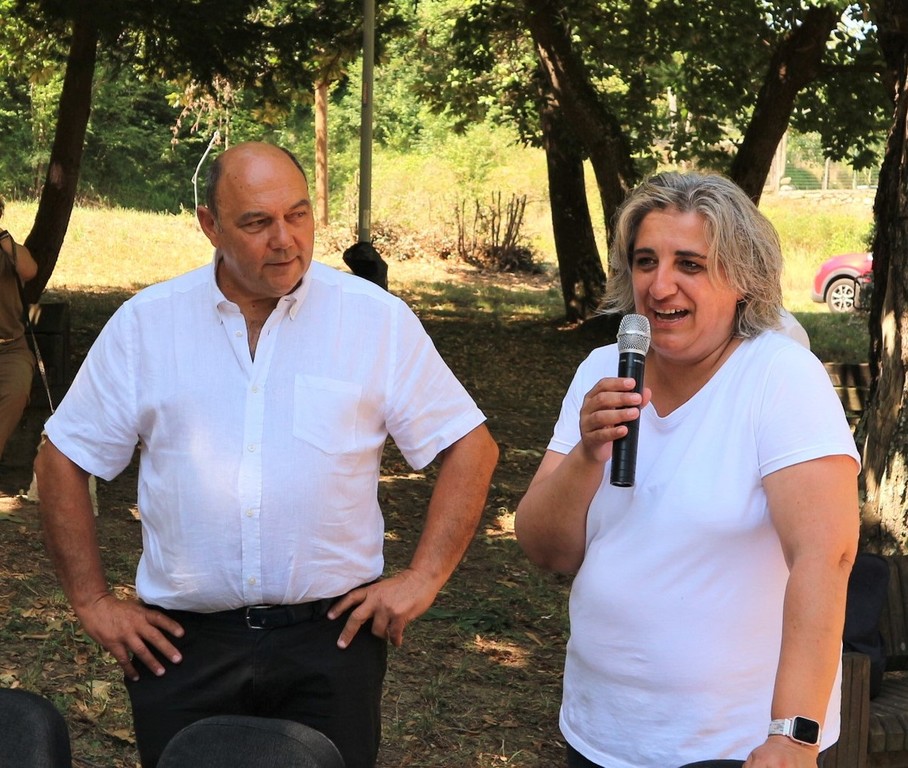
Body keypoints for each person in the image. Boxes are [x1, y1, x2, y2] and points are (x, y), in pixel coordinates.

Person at [34, 141, 499, 768]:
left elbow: (470, 445)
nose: (285, 240)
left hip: (332, 641)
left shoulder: (374, 321)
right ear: (210, 225)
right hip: (181, 647)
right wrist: (92, 602)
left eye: (298, 215)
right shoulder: (148, 324)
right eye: (257, 222)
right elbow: (62, 456)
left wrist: (422, 578)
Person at [515, 171, 859, 768]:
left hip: (733, 745)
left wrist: (792, 734)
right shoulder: (603, 369)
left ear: (743, 280)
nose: (660, 285)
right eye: (645, 261)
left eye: (690, 265)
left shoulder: (778, 376)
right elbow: (547, 550)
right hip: (601, 732)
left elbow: (825, 558)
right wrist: (587, 455)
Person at [0, 200, 38, 464]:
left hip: (11, 347)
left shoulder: (8, 249)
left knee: (16, 391)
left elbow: (30, 270)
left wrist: (4, 239)